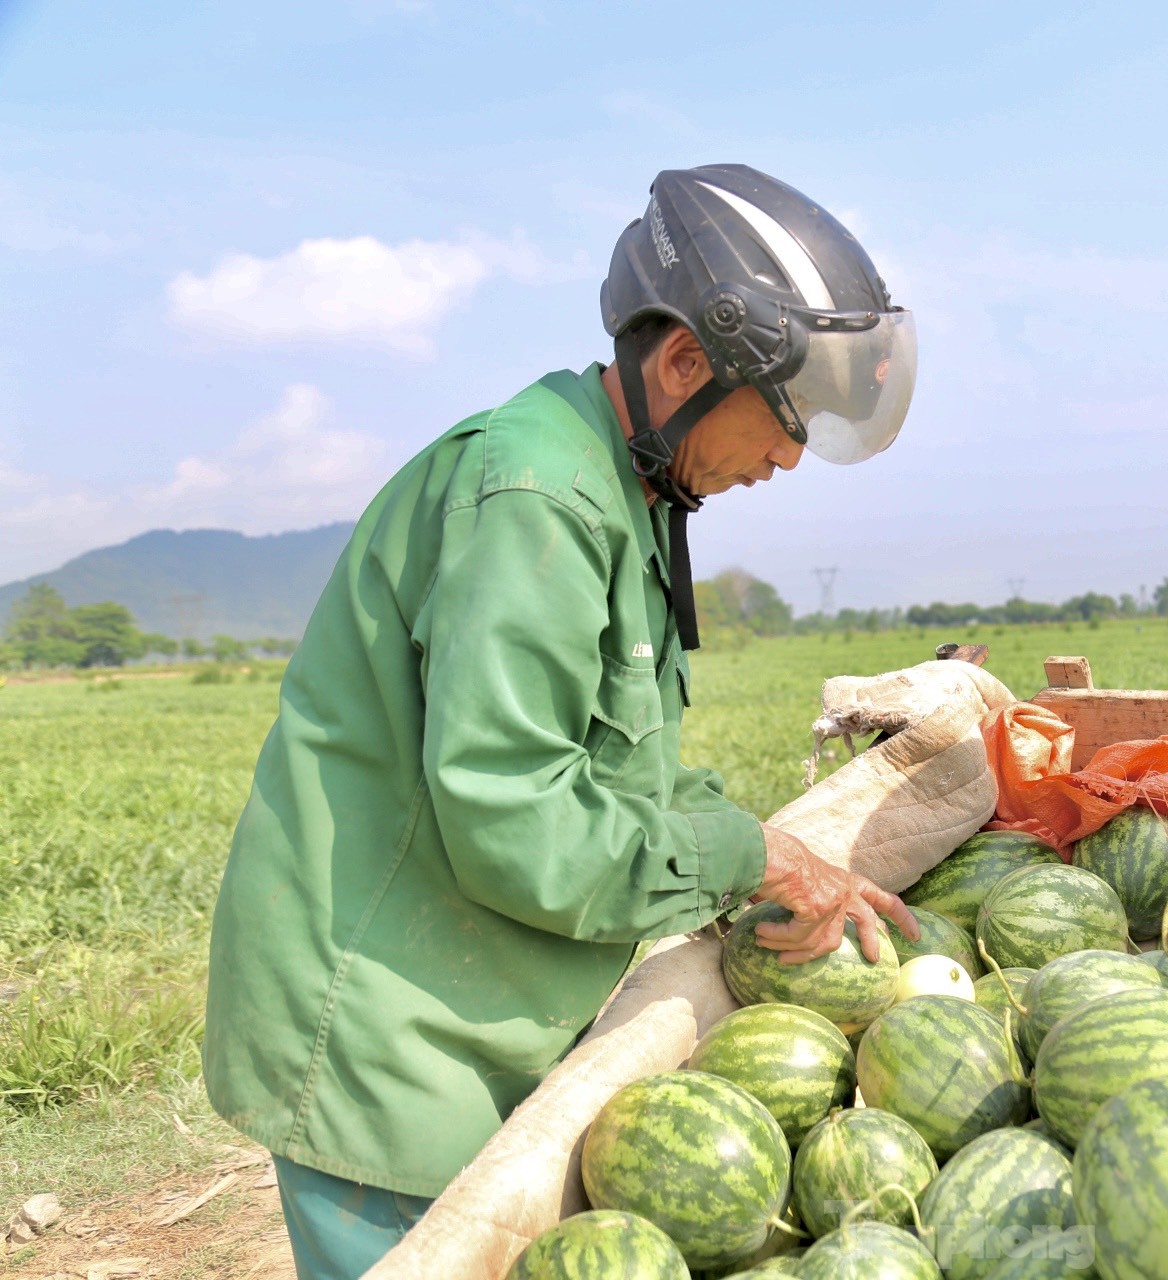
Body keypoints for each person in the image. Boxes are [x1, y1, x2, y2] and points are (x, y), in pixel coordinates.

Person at [201, 164, 920, 1280]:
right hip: (391, 1033)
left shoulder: (622, 492)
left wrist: (767, 848)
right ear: (685, 361)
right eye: (783, 422)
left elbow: (626, 766)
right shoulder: (535, 494)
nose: (784, 460)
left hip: (473, 1002)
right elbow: (518, 818)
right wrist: (746, 850)